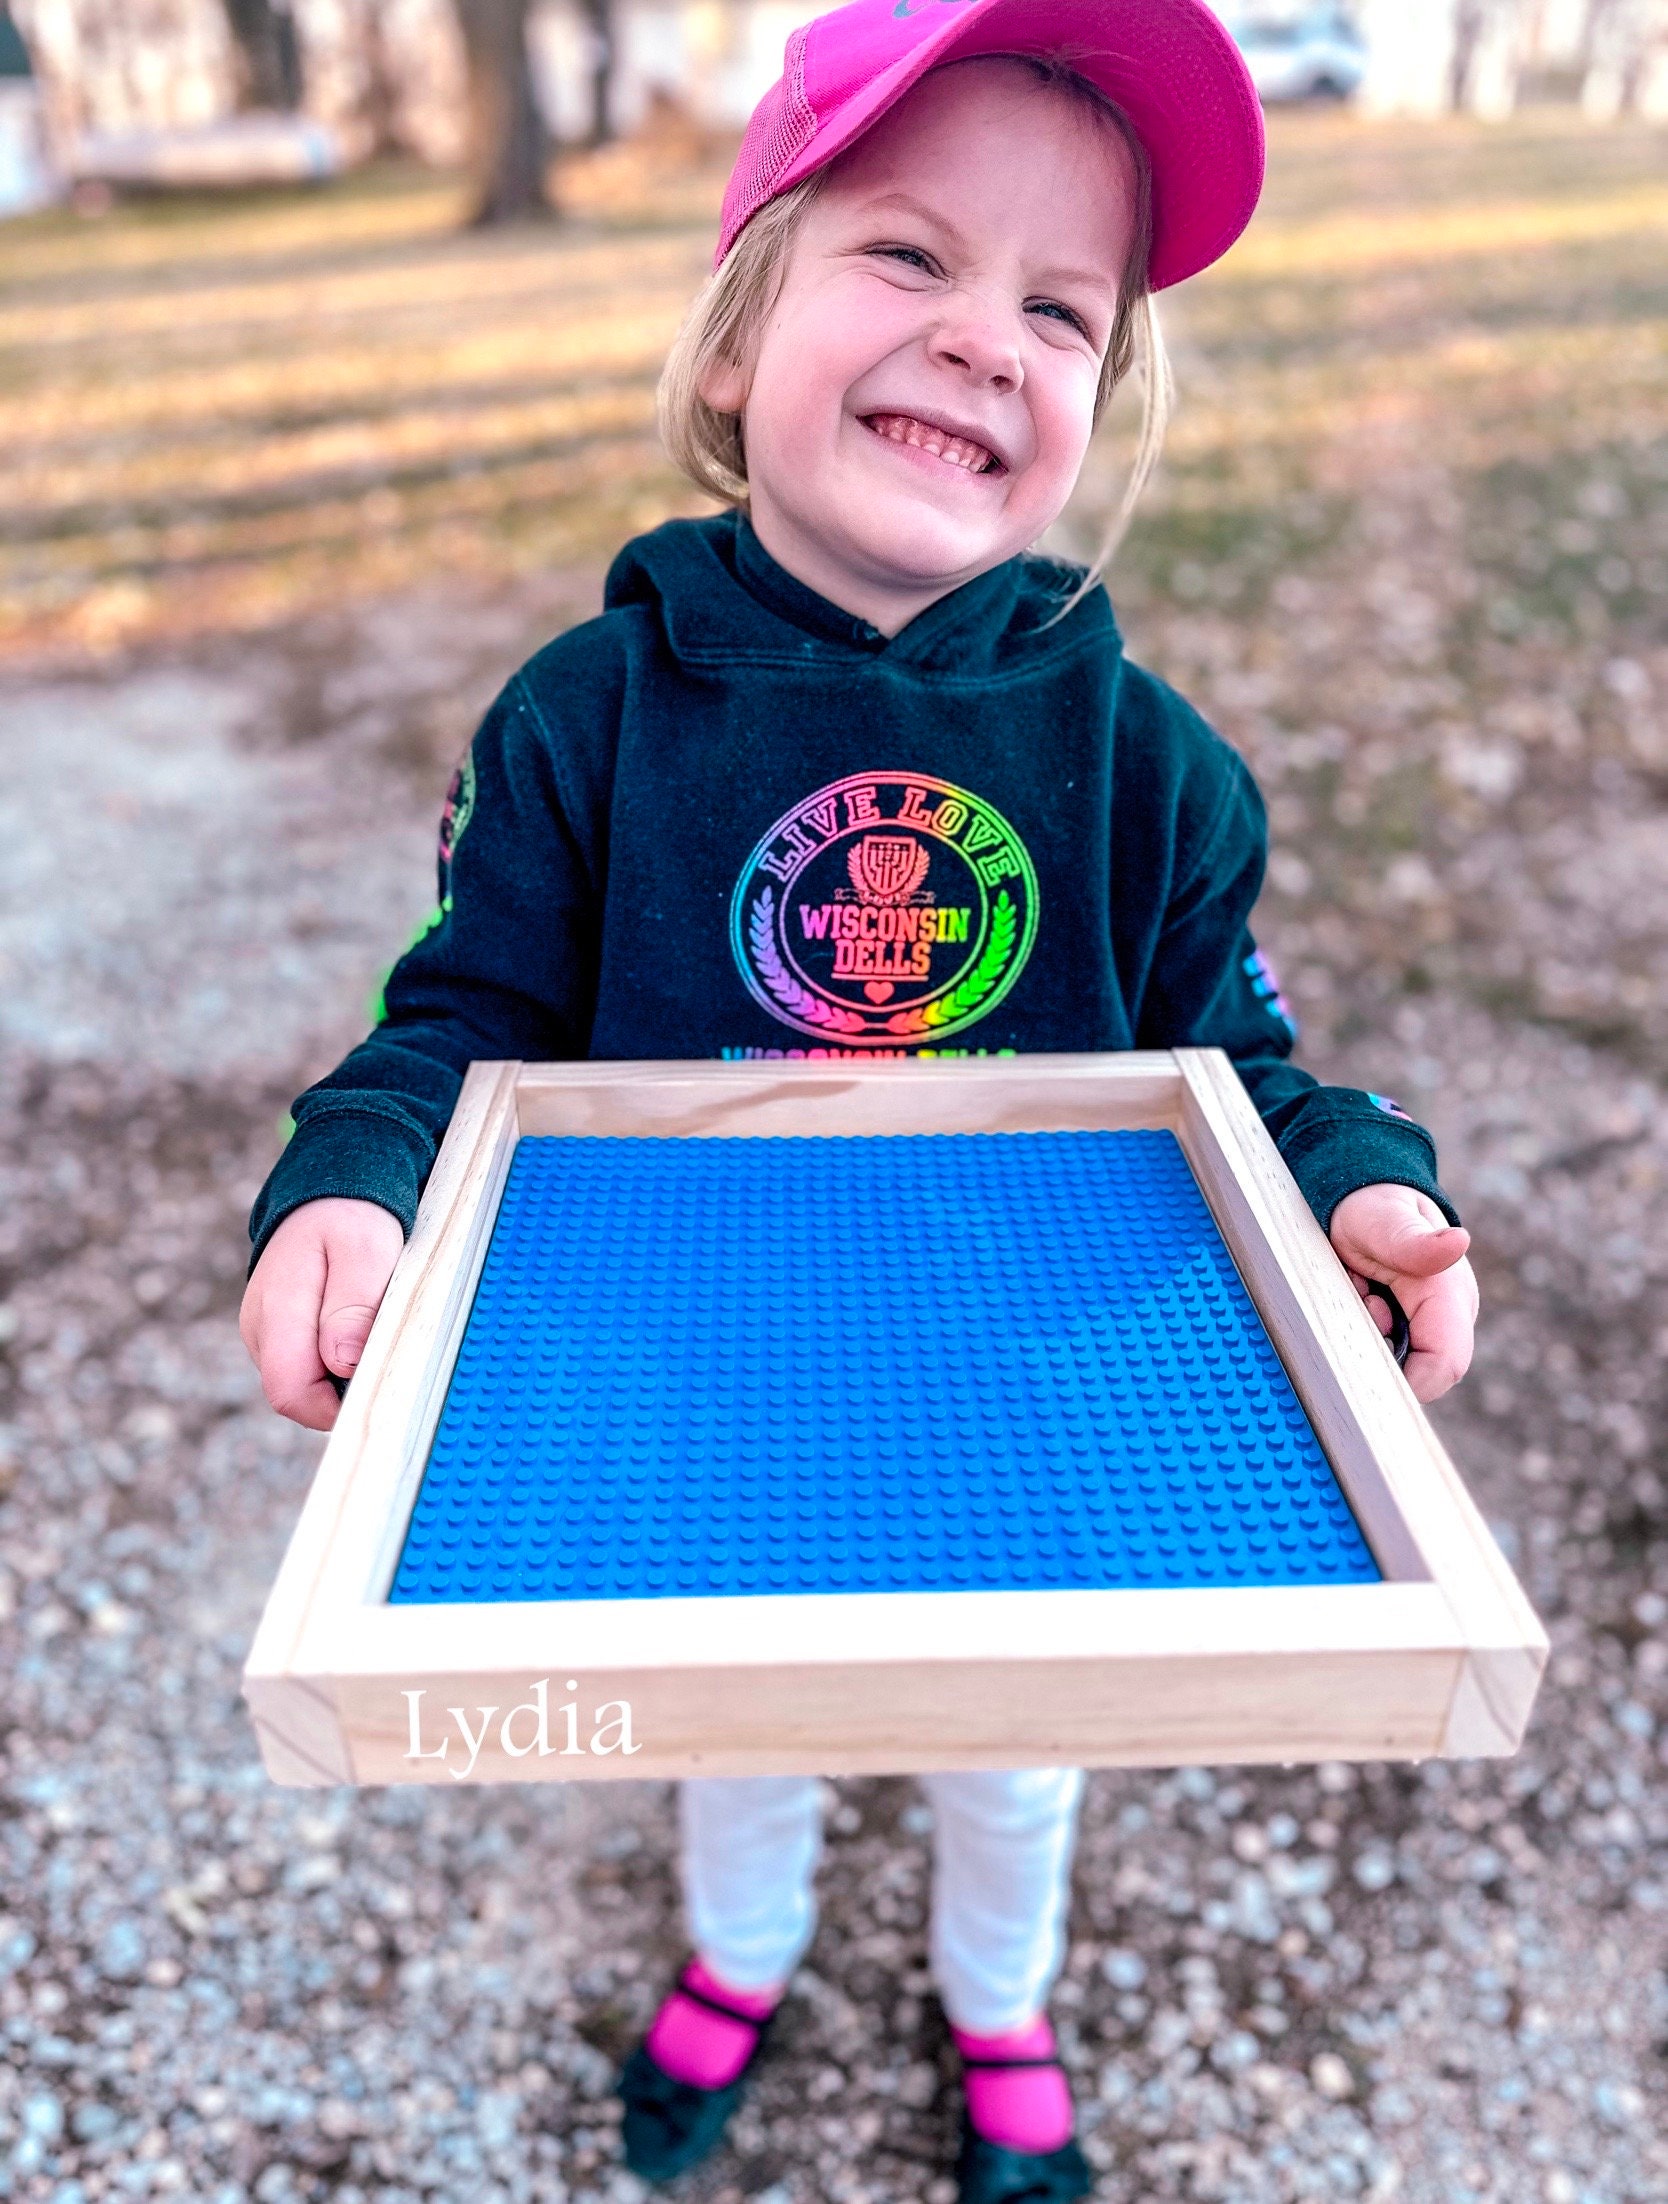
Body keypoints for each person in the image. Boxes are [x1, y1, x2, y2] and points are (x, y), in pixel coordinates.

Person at [240, 2, 1479, 2196]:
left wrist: (1364, 1198)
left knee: (1021, 1745)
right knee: (749, 1711)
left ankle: (998, 1997)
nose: (984, 337)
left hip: (1038, 1386)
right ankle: (748, 1947)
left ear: (1099, 393)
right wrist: (354, 1179)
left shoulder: (1156, 768)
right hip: (718, 1380)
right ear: (738, 337)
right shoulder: (585, 724)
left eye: (1057, 306)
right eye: (908, 258)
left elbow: (1245, 1065)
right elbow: (462, 1015)